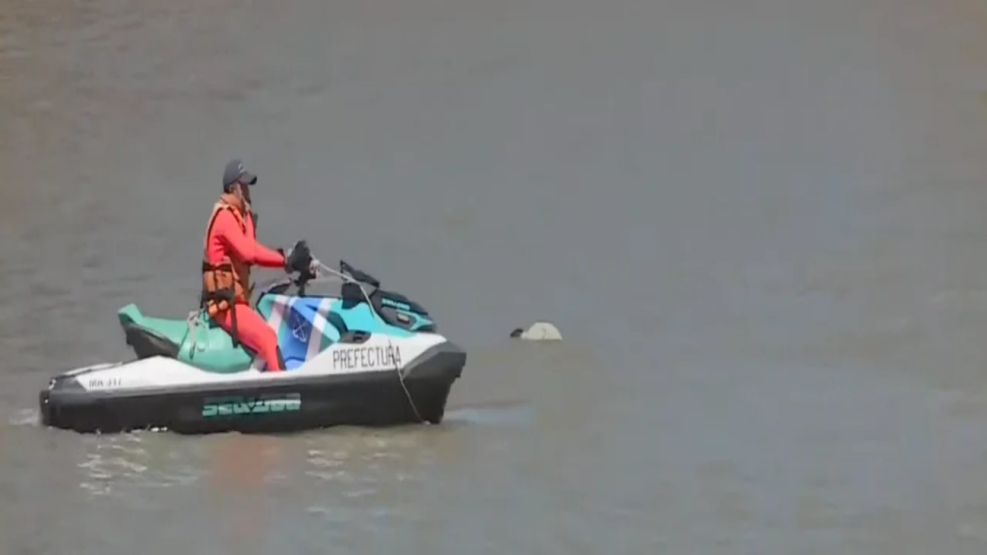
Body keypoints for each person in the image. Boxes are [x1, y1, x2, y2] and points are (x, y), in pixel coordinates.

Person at [201, 159, 313, 371]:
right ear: (233, 188)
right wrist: (286, 259)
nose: (247, 191)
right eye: (244, 186)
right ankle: (283, 386)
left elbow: (250, 247)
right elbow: (249, 253)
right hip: (225, 308)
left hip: (237, 303)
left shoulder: (238, 217)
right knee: (268, 337)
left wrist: (249, 217)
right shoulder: (224, 218)